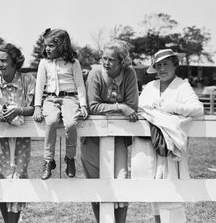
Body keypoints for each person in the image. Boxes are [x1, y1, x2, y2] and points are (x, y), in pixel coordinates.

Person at [131, 49, 204, 223]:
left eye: (166, 64)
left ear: (175, 65)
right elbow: (141, 108)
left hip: (171, 145)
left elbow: (198, 109)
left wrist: (172, 107)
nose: (162, 69)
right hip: (151, 145)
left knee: (172, 192)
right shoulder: (150, 87)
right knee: (155, 193)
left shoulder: (182, 85)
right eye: (158, 65)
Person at [81, 41, 139, 223]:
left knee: (121, 182)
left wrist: (123, 107)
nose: (106, 62)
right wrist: (119, 107)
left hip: (119, 138)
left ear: (122, 61)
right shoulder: (95, 74)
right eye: (104, 58)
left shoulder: (129, 74)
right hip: (91, 139)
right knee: (97, 186)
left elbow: (133, 106)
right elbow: (92, 106)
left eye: (111, 59)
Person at [0, 43, 35, 223]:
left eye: (4, 60)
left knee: (18, 177)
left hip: (21, 137)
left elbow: (35, 108)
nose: (0, 64)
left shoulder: (27, 80)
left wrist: (19, 111)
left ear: (14, 61)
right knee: (2, 179)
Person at [33, 28, 88, 180]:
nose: (47, 49)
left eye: (51, 45)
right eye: (46, 46)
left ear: (62, 45)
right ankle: (48, 160)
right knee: (50, 121)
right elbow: (40, 85)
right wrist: (37, 106)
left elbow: (80, 85)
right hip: (50, 99)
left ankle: (70, 158)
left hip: (69, 98)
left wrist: (83, 105)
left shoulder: (73, 62)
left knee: (70, 123)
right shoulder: (44, 63)